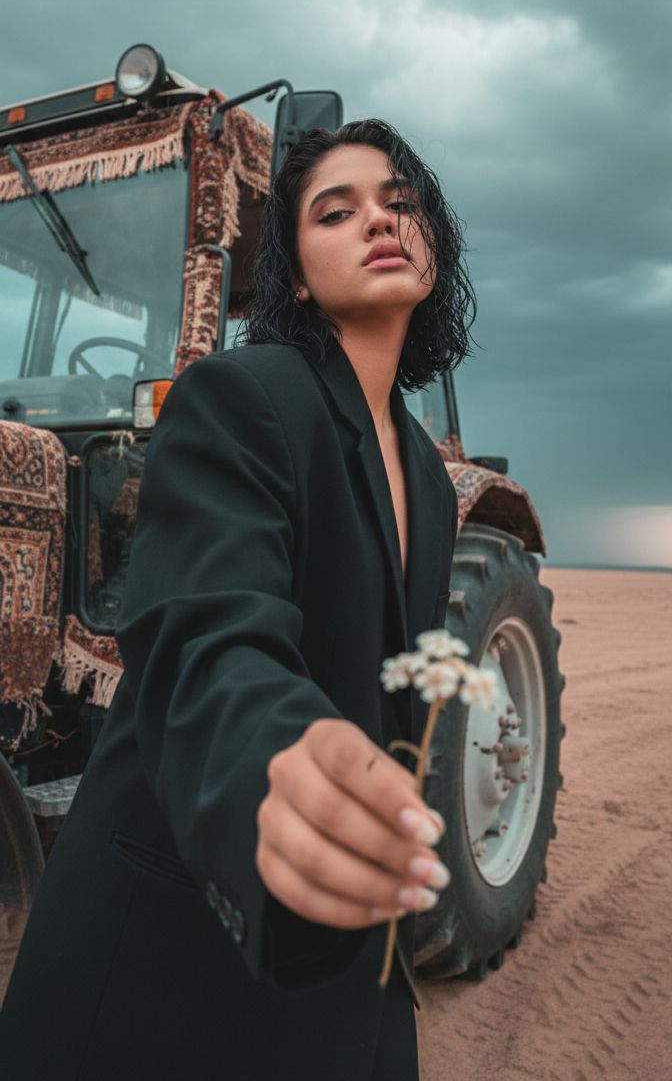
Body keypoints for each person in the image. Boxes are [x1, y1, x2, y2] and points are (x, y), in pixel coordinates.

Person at [0, 118, 476, 1080]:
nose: (378, 219)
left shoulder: (429, 473)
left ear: (431, 240)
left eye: (399, 200)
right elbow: (208, 634)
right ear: (294, 274)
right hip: (171, 967)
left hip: (351, 966)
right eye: (335, 212)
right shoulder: (241, 394)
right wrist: (277, 756)